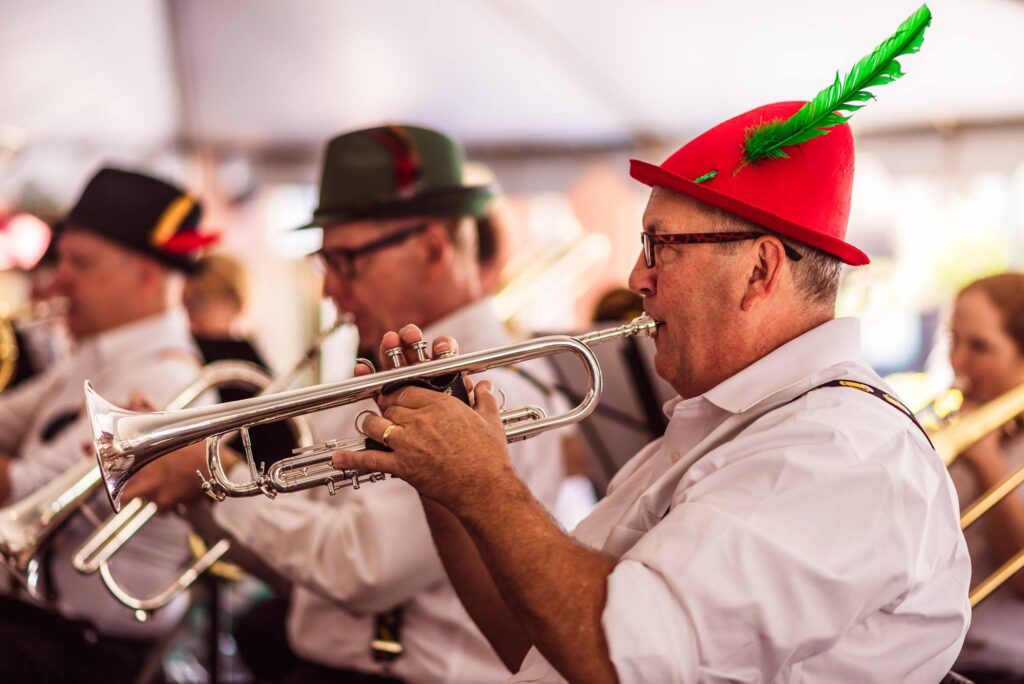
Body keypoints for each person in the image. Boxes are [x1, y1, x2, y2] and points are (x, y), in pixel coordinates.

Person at [332, 9, 973, 681]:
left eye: (662, 246)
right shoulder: (723, 425)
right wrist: (445, 485)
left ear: (759, 270)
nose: (638, 277)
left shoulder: (840, 452)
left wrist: (489, 486)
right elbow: (535, 637)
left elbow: (621, 659)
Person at [129, 125, 567, 683]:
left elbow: (363, 566)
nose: (329, 289)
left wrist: (214, 480)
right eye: (324, 262)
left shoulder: (491, 385)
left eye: (346, 260)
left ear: (433, 248)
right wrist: (199, 488)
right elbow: (302, 567)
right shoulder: (378, 369)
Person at [0, 167, 218, 683]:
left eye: (81, 262)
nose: (58, 279)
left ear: (147, 273)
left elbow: (23, 489)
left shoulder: (165, 381)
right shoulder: (90, 361)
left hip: (84, 650)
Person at [947, 273, 1024, 682]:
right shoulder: (953, 422)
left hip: (1002, 665)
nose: (959, 361)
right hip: (937, 656)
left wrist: (988, 460)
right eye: (953, 340)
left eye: (979, 346)